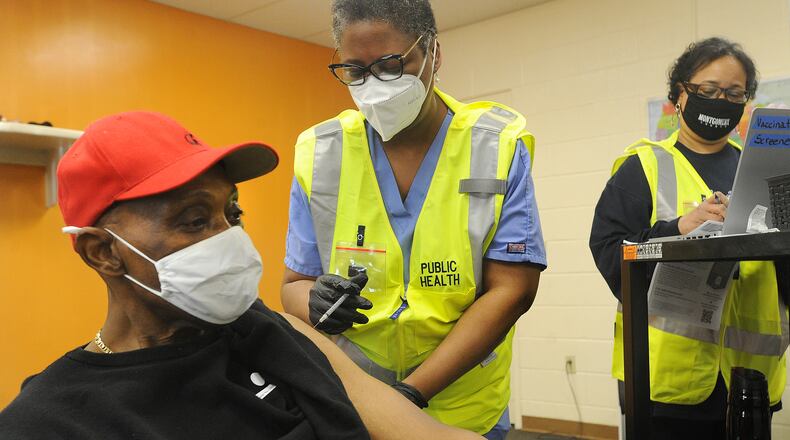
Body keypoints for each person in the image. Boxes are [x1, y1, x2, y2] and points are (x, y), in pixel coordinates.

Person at [0, 111, 483, 440]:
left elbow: (420, 433)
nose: (228, 236)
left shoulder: (268, 331)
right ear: (103, 252)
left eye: (232, 212)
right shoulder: (51, 422)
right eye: (194, 220)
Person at [280, 1, 547, 437]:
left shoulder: (494, 145)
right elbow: (293, 285)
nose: (373, 85)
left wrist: (406, 398)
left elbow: (512, 290)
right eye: (355, 70)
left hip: (463, 410)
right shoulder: (322, 153)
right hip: (353, 407)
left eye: (390, 64)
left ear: (433, 53)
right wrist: (314, 302)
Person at [589, 37, 787, 439]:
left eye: (734, 93)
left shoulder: (763, 170)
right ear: (679, 95)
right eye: (708, 91)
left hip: (749, 377)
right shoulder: (641, 167)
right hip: (665, 380)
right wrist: (678, 229)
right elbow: (611, 253)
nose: (721, 101)